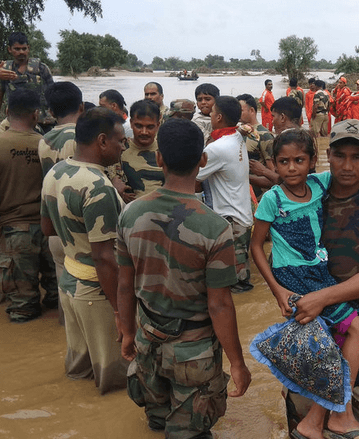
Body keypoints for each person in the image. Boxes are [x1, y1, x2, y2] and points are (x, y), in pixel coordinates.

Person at [251, 128, 359, 439]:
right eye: (283, 162)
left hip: (320, 279)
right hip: (297, 281)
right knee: (341, 336)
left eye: (298, 161)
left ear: (312, 161)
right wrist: (278, 290)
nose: (291, 168)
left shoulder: (329, 188)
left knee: (349, 336)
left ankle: (319, 421)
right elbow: (256, 245)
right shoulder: (275, 198)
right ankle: (328, 418)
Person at [117, 118, 251, 438]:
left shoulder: (130, 213)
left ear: (159, 158)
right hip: (195, 353)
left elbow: (124, 285)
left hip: (147, 340)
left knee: (156, 419)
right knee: (190, 431)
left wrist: (126, 333)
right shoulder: (215, 227)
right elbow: (219, 305)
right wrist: (237, 363)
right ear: (202, 161)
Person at [40, 107, 129, 394]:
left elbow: (47, 228)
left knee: (78, 370)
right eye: (120, 140)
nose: (123, 146)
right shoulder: (98, 187)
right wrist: (120, 311)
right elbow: (104, 257)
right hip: (96, 290)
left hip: (69, 281)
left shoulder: (57, 170)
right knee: (113, 377)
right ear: (102, 141)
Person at [0, 88, 57, 322]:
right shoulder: (48, 144)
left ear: (6, 112)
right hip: (52, 232)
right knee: (59, 303)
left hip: (14, 235)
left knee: (22, 310)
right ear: (36, 115)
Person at [196, 96, 253, 294]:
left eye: (212, 112)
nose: (209, 115)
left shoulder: (217, 148)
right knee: (240, 274)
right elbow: (241, 129)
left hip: (231, 220)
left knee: (235, 283)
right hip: (242, 215)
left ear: (219, 117)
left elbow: (193, 176)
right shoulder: (236, 136)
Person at [38, 81, 84, 325]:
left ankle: (64, 333)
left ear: (51, 112)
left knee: (63, 283)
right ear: (81, 106)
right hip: (81, 228)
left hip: (55, 224)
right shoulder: (83, 138)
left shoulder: (43, 141)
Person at [0, 32, 55, 131]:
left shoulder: (41, 68)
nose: (21, 52)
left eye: (24, 49)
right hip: (15, 122)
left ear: (28, 48)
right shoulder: (5, 70)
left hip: (41, 123)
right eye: (17, 49)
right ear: (9, 49)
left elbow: (53, 95)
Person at [109, 100, 163, 203]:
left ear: (158, 125)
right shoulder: (119, 149)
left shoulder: (167, 150)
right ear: (131, 123)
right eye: (139, 126)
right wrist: (113, 181)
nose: (144, 132)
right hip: (130, 212)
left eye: (150, 127)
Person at [235, 93, 277, 198]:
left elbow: (272, 174)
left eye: (240, 111)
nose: (236, 114)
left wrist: (243, 177)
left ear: (252, 111)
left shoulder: (264, 135)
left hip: (258, 196)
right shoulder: (237, 133)